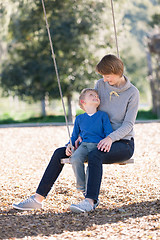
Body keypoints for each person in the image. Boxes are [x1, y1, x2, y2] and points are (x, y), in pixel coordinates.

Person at [13, 54, 139, 213]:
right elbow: (93, 114)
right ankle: (37, 199)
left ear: (118, 72)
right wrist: (78, 139)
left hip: (123, 144)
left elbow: (128, 124)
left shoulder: (132, 93)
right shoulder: (100, 85)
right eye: (103, 77)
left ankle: (90, 201)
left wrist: (110, 138)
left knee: (95, 155)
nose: (105, 80)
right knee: (60, 153)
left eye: (108, 76)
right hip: (96, 140)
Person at [66, 88, 113, 194]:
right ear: (83, 102)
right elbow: (74, 135)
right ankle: (81, 186)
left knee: (92, 162)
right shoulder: (79, 118)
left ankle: (89, 188)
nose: (96, 96)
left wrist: (108, 142)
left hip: (97, 145)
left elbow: (109, 133)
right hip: (84, 146)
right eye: (91, 95)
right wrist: (69, 145)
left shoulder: (103, 115)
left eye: (97, 96)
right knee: (75, 158)